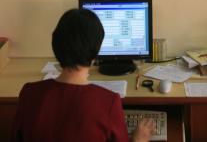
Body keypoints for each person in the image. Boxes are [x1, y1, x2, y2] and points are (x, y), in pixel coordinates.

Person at [11, 9, 155, 142]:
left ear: (56, 44)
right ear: (96, 50)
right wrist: (138, 139)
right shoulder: (108, 102)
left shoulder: (29, 93)